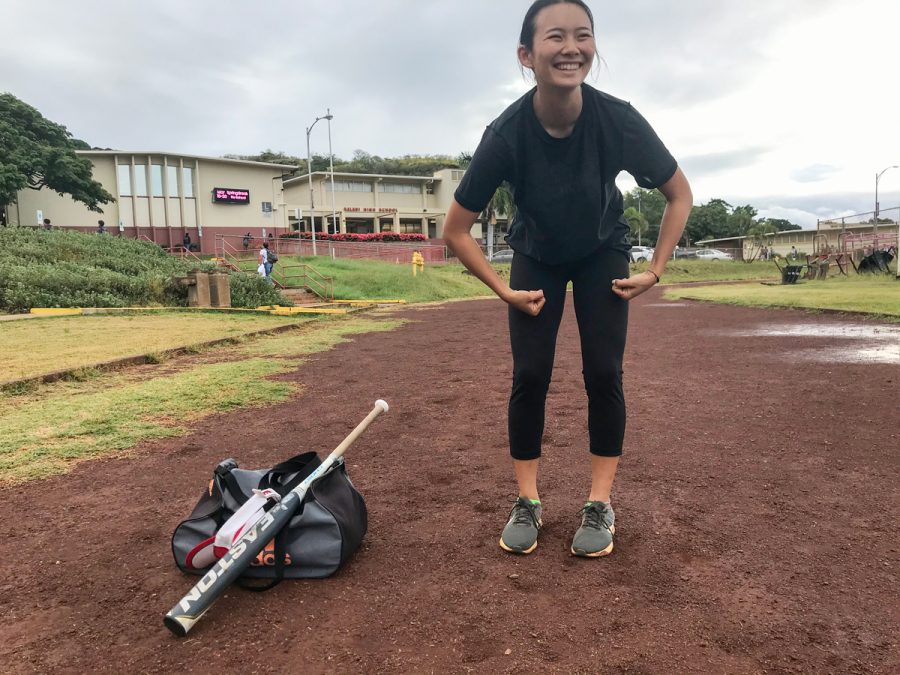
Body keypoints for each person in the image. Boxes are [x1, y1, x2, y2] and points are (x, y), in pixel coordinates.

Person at [442, 0, 692, 558]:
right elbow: (456, 230)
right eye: (556, 37)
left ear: (593, 48)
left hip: (602, 251)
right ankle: (527, 501)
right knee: (531, 373)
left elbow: (680, 193)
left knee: (603, 371)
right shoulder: (506, 133)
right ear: (527, 55)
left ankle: (599, 503)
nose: (571, 47)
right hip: (537, 256)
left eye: (584, 35)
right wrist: (503, 288)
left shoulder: (618, 119)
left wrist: (656, 269)